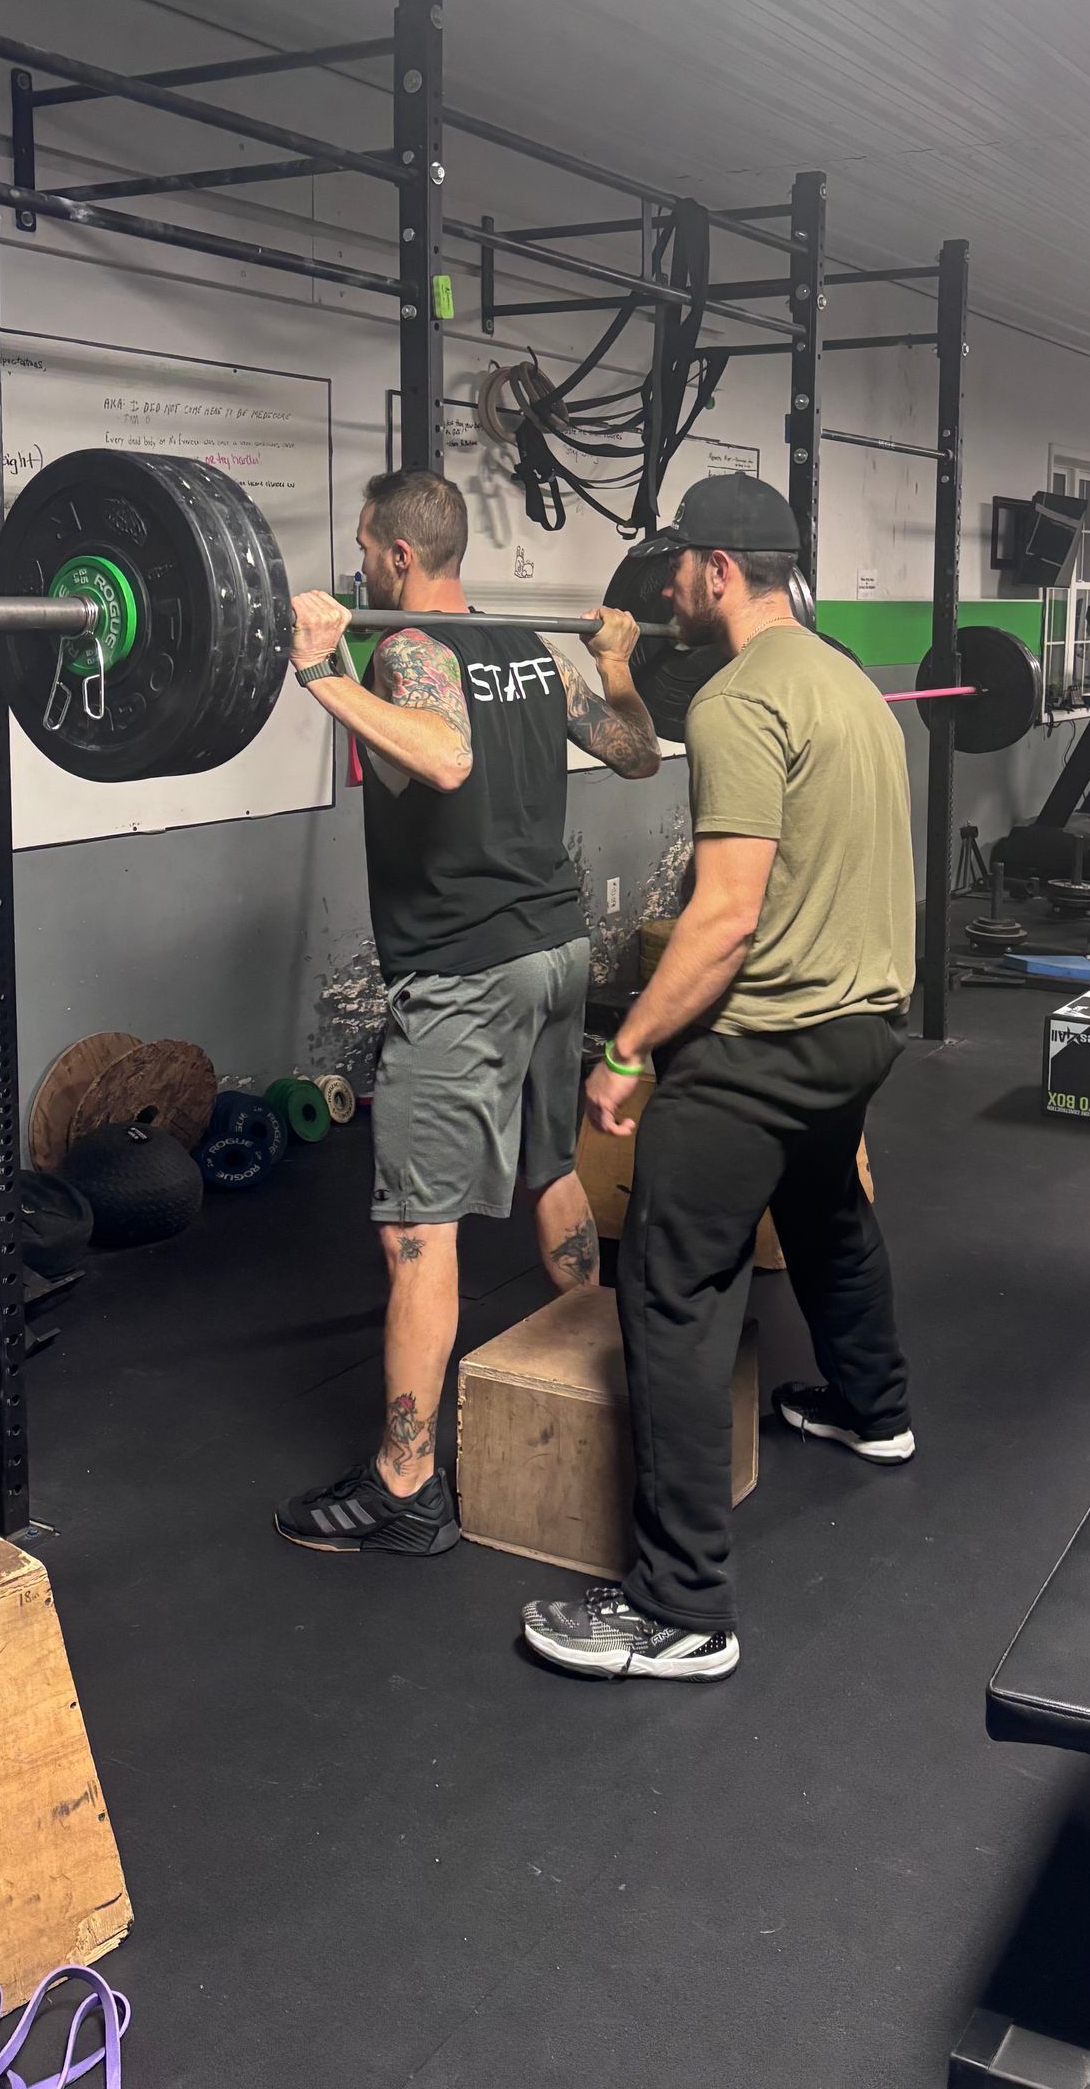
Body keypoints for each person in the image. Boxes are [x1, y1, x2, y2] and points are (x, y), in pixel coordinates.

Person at [518, 473, 917, 1684]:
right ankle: (873, 1405)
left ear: (720, 573)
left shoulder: (745, 700)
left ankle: (682, 1607)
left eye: (683, 565)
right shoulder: (848, 681)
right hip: (864, 1028)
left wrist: (631, 1049)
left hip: (767, 1045)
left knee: (674, 1287)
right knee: (825, 1206)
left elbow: (726, 916)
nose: (672, 583)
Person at [273, 468, 663, 1556]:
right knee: (548, 1169)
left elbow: (442, 755)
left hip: (467, 973)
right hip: (556, 949)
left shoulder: (407, 650)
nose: (358, 563)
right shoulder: (531, 652)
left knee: (414, 1228)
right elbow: (636, 749)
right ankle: (617, 1381)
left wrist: (319, 672)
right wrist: (619, 665)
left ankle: (406, 1484)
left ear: (398, 556)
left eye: (363, 547)